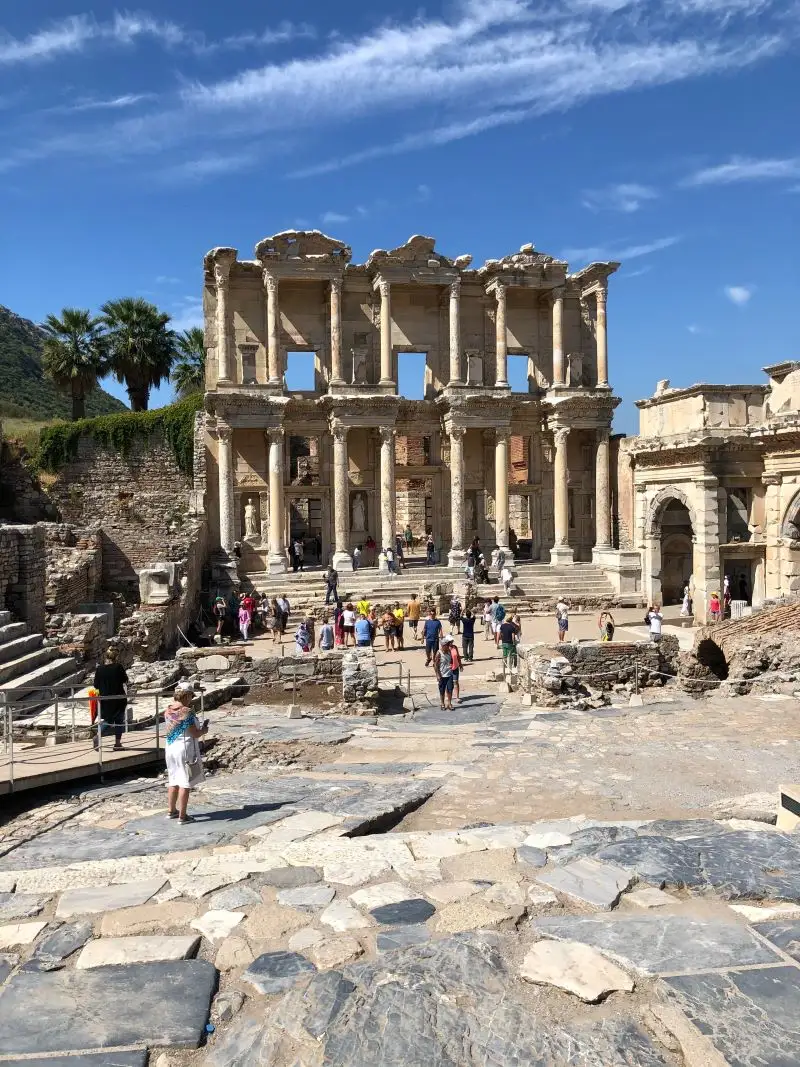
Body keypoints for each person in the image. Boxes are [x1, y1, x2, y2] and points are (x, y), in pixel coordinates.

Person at [165, 686, 208, 824]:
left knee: (173, 779)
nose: (191, 699)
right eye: (191, 696)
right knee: (185, 782)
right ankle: (182, 816)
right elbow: (195, 733)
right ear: (186, 695)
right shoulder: (187, 712)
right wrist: (204, 731)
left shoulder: (168, 709)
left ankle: (171, 811)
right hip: (184, 748)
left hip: (170, 748)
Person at [92, 647, 129, 751]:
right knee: (118, 721)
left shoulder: (99, 669)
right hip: (118, 698)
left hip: (105, 699)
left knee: (108, 719)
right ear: (116, 657)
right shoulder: (118, 667)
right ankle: (117, 744)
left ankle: (98, 735)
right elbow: (124, 680)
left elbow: (96, 685)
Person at [433, 635, 456, 710]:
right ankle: (442, 703)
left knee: (450, 689)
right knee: (442, 690)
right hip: (442, 674)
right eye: (447, 645)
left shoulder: (449, 651)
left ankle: (449, 703)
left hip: (449, 673)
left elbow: (451, 660)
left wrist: (451, 666)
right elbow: (435, 665)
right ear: (443, 646)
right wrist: (437, 675)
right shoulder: (439, 653)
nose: (448, 646)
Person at [449, 639, 463, 703]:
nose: (451, 643)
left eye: (452, 641)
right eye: (450, 642)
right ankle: (448, 697)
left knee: (456, 682)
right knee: (448, 683)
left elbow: (458, 657)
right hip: (448, 668)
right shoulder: (444, 648)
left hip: (455, 666)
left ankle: (457, 697)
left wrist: (460, 665)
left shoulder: (455, 647)